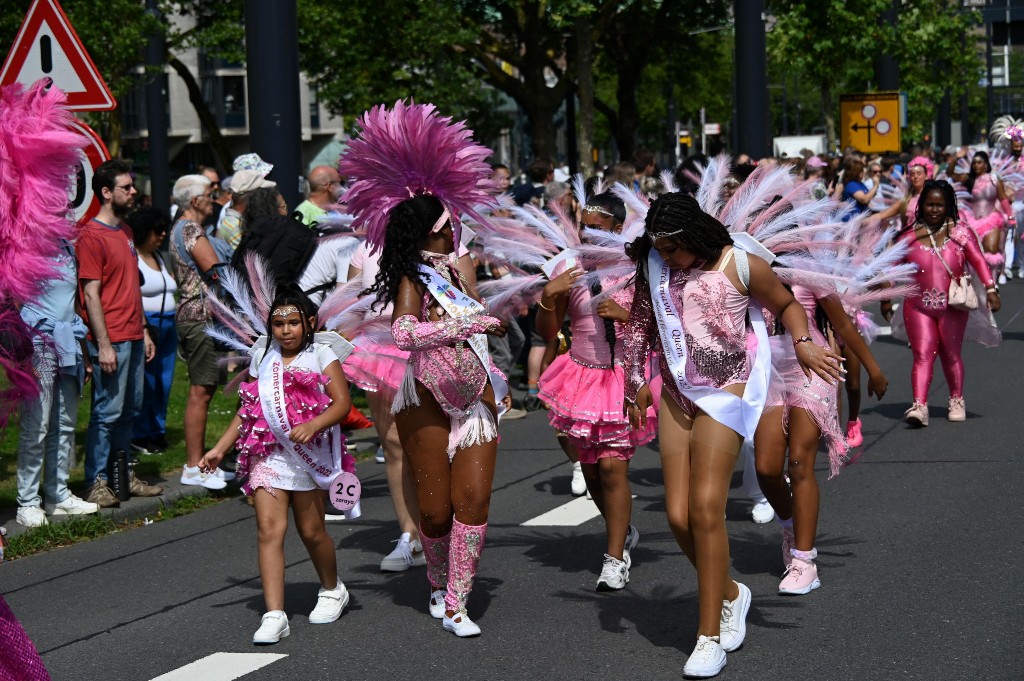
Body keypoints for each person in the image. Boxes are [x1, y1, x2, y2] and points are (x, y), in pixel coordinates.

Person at [623, 192, 843, 677]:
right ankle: (729, 592)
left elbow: (786, 305)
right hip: (678, 394)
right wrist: (635, 383)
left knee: (705, 510)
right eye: (658, 248)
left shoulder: (740, 263)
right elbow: (638, 329)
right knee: (678, 518)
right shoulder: (654, 268)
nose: (666, 257)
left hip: (726, 392)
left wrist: (804, 343)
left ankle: (708, 637)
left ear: (695, 237)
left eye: (673, 248)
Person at [339, 101, 506, 637]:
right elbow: (407, 333)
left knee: (473, 501)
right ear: (429, 233)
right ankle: (436, 580)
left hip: (474, 397)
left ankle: (458, 600)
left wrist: (486, 326)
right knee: (434, 512)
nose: (453, 231)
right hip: (425, 397)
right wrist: (467, 327)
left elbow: (473, 315)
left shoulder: (455, 274)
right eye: (445, 227)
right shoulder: (412, 277)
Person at [200, 288, 353, 644]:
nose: (286, 331)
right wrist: (220, 448)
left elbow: (342, 403)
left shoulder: (321, 354)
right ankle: (275, 614)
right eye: (279, 323)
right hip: (268, 455)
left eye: (294, 323)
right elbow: (249, 409)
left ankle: (332, 589)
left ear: (309, 323)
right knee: (269, 531)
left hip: (308, 455)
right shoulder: (264, 357)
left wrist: (314, 424)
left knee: (312, 532)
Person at [536, 192, 655, 590]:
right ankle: (622, 533)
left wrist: (627, 316)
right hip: (582, 376)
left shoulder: (637, 267)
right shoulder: (567, 267)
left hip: (624, 376)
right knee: (591, 472)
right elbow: (546, 332)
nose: (589, 236)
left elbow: (663, 324)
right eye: (584, 228)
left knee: (611, 467)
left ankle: (615, 557)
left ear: (618, 229)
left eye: (598, 229)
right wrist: (548, 299)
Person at [754, 283, 889, 595]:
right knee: (766, 468)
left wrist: (873, 369)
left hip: (813, 367)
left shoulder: (808, 270)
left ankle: (804, 561)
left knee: (800, 462)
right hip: (766, 368)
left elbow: (841, 322)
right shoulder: (752, 267)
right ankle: (790, 527)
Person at [78, 160, 163, 508]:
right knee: (107, 411)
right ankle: (96, 482)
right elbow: (90, 294)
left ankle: (122, 475)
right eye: (126, 187)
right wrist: (103, 344)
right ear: (106, 193)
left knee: (130, 410)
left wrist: (143, 330)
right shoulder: (91, 236)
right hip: (111, 339)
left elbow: (130, 288)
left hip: (131, 334)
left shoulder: (126, 233)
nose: (133, 192)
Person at [881, 180, 1001, 426]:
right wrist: (885, 298)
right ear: (921, 206)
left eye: (939, 205)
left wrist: (991, 289)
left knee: (951, 354)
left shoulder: (961, 232)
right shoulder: (908, 236)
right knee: (922, 355)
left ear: (948, 207)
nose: (934, 209)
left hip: (952, 307)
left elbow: (979, 261)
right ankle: (920, 406)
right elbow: (891, 269)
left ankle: (956, 399)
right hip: (917, 305)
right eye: (930, 204)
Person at [16, 238, 99, 526]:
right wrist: (23, 352)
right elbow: (12, 300)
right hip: (37, 340)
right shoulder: (25, 246)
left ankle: (58, 494)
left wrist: (85, 354)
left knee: (65, 423)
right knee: (36, 425)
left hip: (68, 341)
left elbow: (72, 302)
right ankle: (27, 502)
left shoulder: (66, 246)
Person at [169, 174, 230, 490]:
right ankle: (193, 466)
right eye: (210, 193)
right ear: (194, 201)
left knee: (203, 388)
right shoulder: (191, 229)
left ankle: (199, 463)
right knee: (201, 389)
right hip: (200, 316)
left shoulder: (180, 227)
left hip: (196, 316)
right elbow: (216, 271)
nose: (214, 197)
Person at [129, 209, 177, 454]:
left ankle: (157, 430)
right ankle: (140, 432)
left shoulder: (159, 256)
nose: (163, 235)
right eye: (157, 231)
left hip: (169, 324)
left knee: (164, 380)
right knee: (146, 381)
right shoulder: (133, 257)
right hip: (150, 324)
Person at [949, 150, 1013, 285]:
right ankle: (979, 283)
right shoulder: (969, 179)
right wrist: (956, 158)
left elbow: (1003, 199)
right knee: (973, 254)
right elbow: (950, 173)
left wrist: (1010, 216)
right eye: (974, 163)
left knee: (991, 249)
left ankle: (993, 283)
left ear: (985, 164)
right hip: (972, 221)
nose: (976, 165)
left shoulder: (994, 179)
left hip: (992, 219)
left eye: (979, 162)